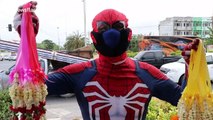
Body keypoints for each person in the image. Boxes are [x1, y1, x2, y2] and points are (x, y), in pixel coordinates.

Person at [14, 1, 199, 120]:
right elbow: (32, 87)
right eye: (103, 29)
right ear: (94, 37)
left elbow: (185, 101)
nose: (111, 34)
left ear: (128, 34)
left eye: (118, 27)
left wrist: (193, 65)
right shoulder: (79, 73)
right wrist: (26, 36)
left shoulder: (147, 73)